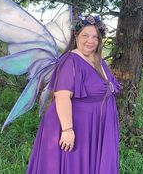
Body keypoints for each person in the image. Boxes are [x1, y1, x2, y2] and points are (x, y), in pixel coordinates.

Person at [26, 14, 121, 174]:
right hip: (76, 126)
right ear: (76, 36)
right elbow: (62, 96)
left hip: (95, 127)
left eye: (95, 37)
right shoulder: (70, 60)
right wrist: (68, 130)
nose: (90, 41)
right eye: (85, 35)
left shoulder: (99, 61)